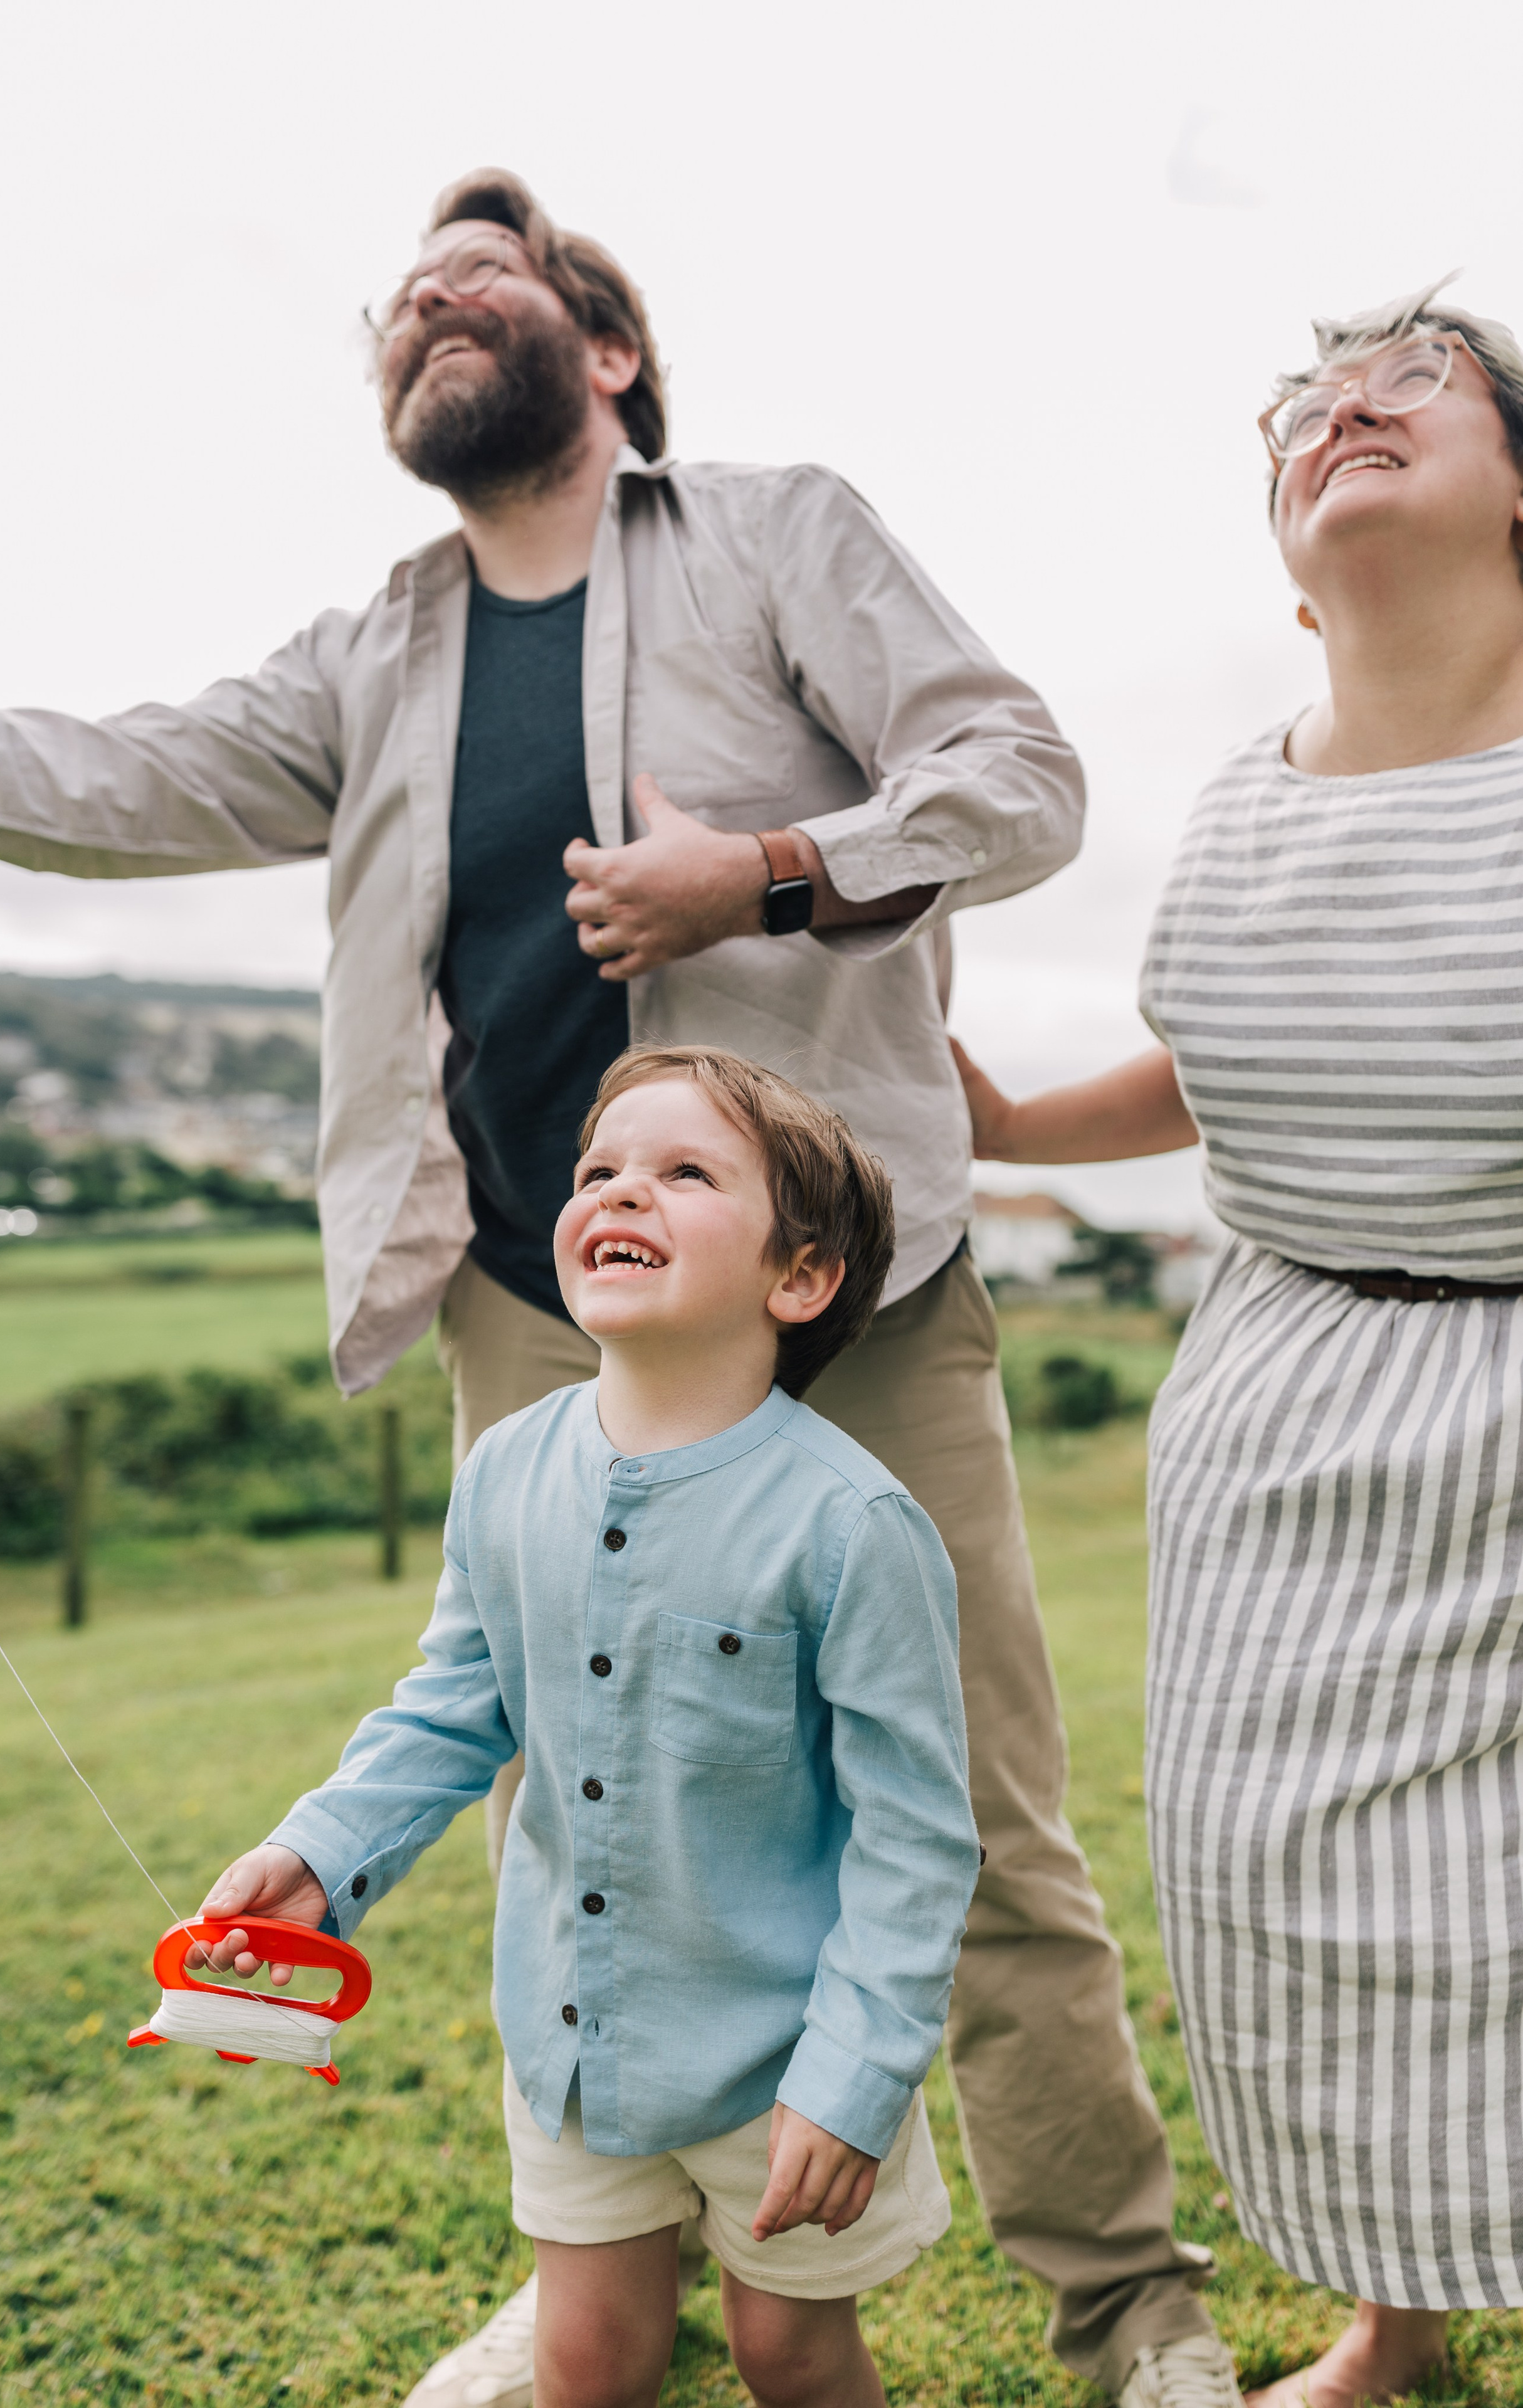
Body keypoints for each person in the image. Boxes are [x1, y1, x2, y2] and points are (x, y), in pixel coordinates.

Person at [0, 169, 1239, 2408]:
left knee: (982, 1818)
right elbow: (106, 773)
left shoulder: (775, 531)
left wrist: (778, 871)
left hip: (855, 1286)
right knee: (571, 1806)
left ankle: (1132, 2312)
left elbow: (1022, 776)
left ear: (601, 349)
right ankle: (599, 2268)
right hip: (537, 1308)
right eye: (397, 302)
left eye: (482, 275)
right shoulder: (372, 655)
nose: (428, 302)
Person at [953, 278, 1523, 2408]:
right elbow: (1201, 1066)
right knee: (1321, 1912)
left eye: (1416, 387)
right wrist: (1016, 1126)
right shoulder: (1238, 803)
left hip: (1513, 1414)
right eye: (1310, 410)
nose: (1347, 416)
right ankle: (1403, 2322)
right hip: (1281, 1429)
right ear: (1286, 558)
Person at [187, 1048, 984, 2408]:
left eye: (685, 1172)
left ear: (797, 1278)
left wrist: (853, 2076)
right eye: (600, 1170)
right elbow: (450, 1706)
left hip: (780, 2060)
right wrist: (326, 1854)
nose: (623, 1191)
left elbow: (915, 1839)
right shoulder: (505, 1469)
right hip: (570, 2038)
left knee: (787, 2350)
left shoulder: (851, 1528)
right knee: (585, 2353)